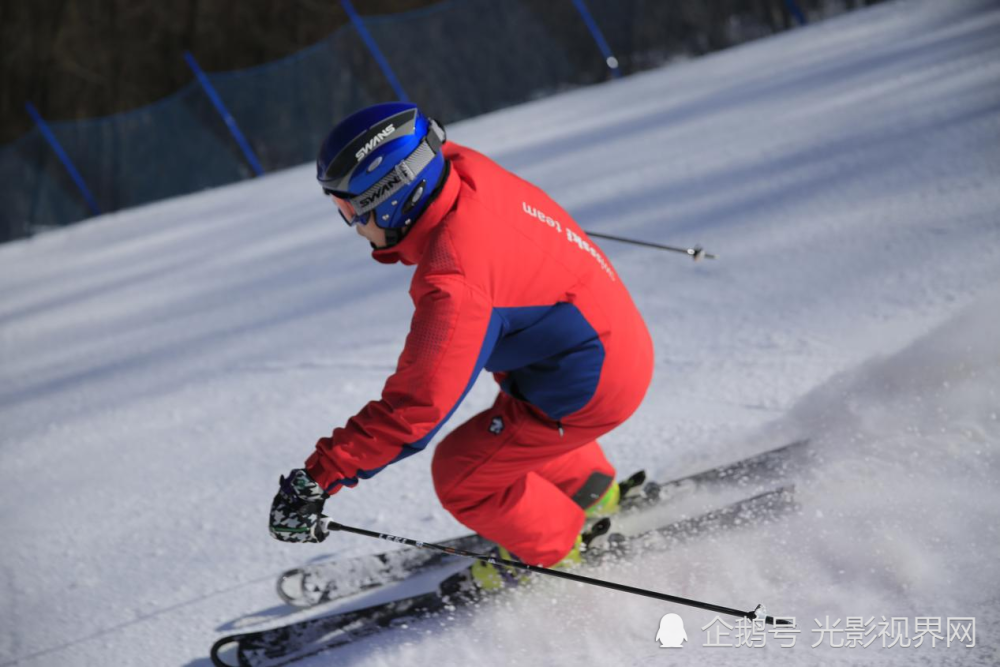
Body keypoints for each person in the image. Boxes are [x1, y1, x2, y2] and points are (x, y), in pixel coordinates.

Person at [268, 102, 654, 588]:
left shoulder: (455, 281)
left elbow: (414, 408)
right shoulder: (461, 169)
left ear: (392, 198)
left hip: (592, 382)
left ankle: (555, 548)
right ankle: (591, 489)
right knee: (518, 422)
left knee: (461, 473)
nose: (352, 223)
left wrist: (318, 477)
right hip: (598, 345)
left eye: (349, 208)